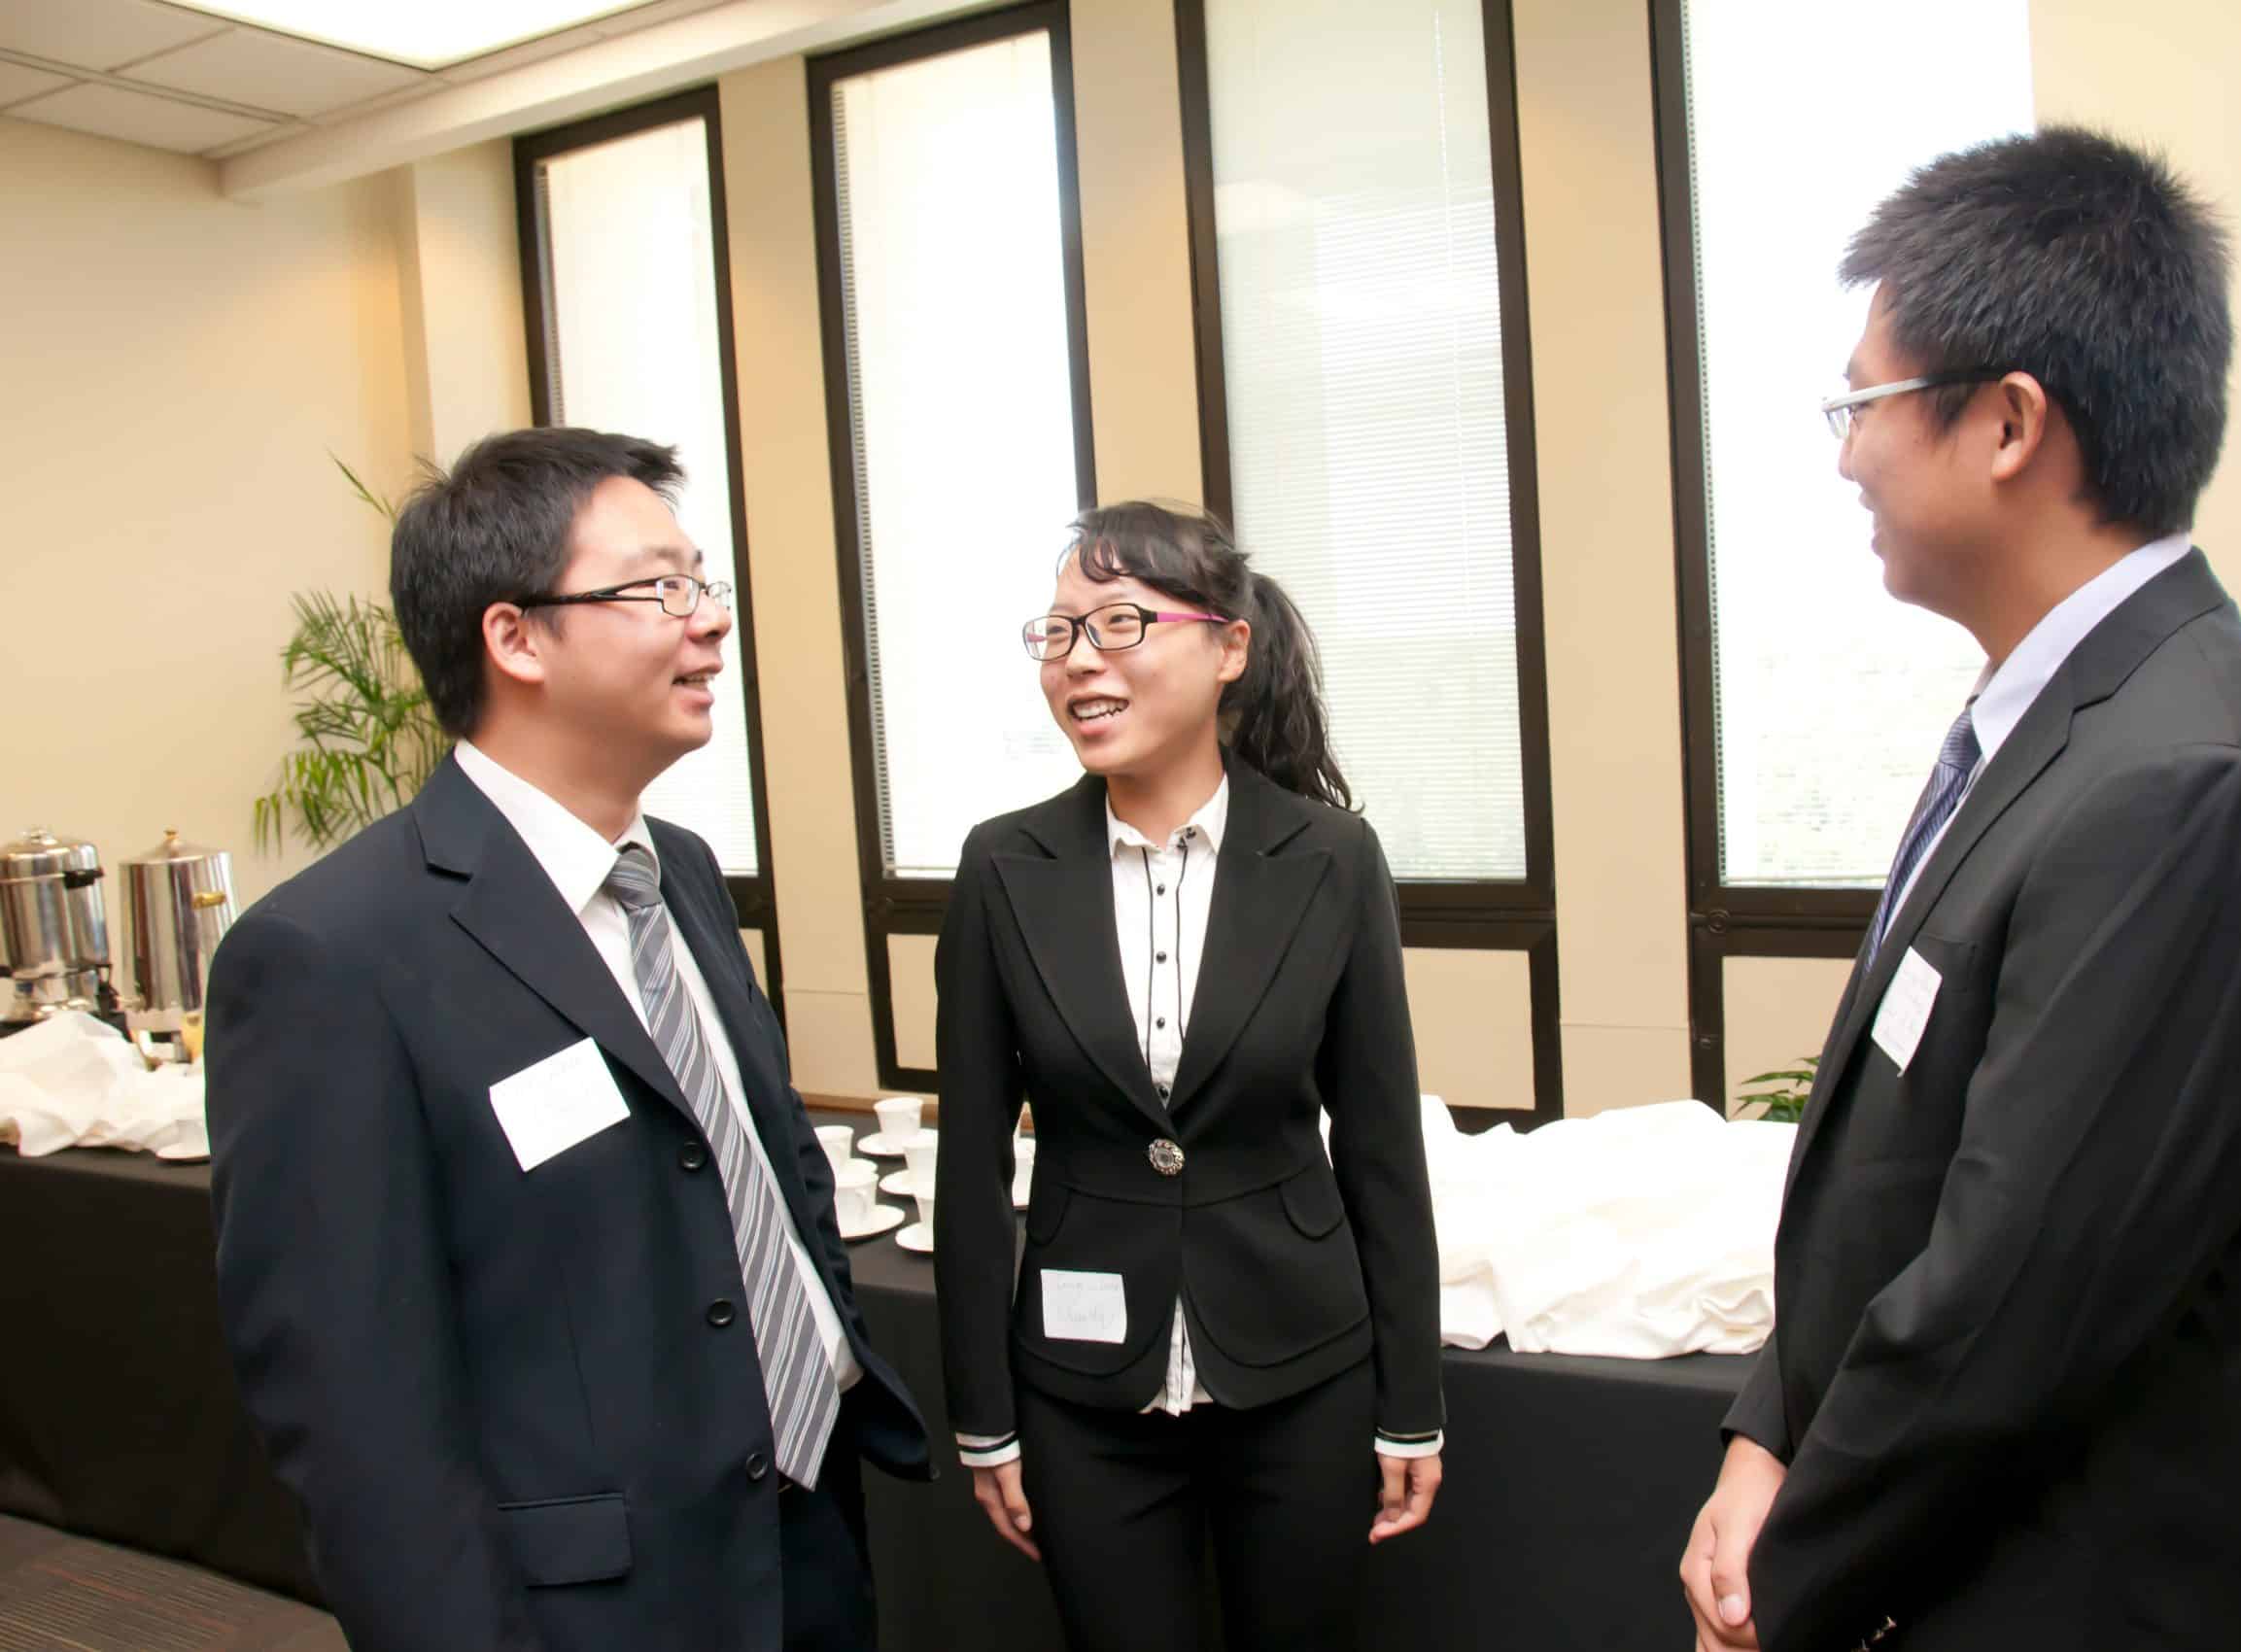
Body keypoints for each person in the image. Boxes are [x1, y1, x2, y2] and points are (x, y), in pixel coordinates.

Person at [1678, 129, 2241, 1652]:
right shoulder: (2072, 718)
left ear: (2007, 423)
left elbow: (2012, 1312)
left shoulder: (2188, 785)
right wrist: (1768, 1427)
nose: (1845, 453)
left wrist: (1782, 1583)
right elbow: (1903, 1175)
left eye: (1858, 403)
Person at [207, 428, 929, 1652]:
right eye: (660, 587)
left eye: (704, 584)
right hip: (593, 1599)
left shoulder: (679, 872)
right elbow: (356, 1411)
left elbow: (758, 1160)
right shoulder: (333, 954)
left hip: (799, 1518)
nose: (708, 622)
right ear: (516, 636)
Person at [932, 501, 1444, 1650]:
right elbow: (968, 1166)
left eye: (1120, 622)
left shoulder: (1330, 858)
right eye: (1058, 632)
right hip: (1080, 1392)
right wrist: (983, 1419)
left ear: (1228, 647)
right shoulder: (1002, 865)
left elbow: (1378, 1151)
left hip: (1301, 1369)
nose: (1079, 661)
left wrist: (1412, 1403)